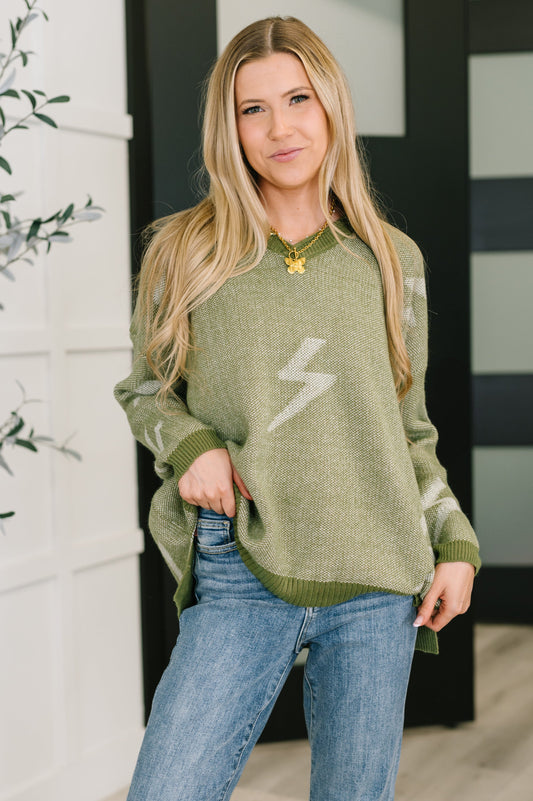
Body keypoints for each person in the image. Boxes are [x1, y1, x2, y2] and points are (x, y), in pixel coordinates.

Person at [114, 15, 480, 801]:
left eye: (297, 99)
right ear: (230, 127)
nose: (279, 128)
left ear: (330, 106)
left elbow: (408, 427)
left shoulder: (390, 259)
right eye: (253, 108)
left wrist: (453, 538)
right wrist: (192, 445)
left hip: (376, 571)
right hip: (241, 567)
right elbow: (145, 390)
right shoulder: (183, 251)